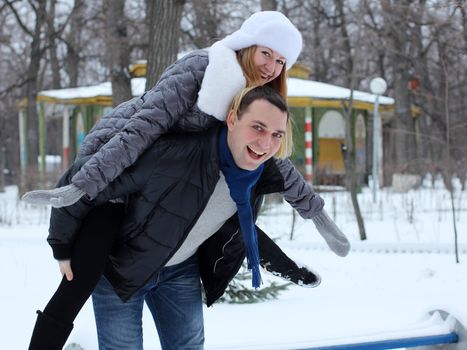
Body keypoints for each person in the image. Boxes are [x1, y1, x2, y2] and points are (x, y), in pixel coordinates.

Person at [23, 11, 350, 349]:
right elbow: (143, 126)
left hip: (174, 205)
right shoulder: (202, 68)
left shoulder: (256, 107)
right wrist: (85, 185)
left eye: (281, 61)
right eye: (266, 53)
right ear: (245, 45)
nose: (271, 66)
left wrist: (317, 215)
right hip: (120, 157)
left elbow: (277, 166)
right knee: (83, 273)